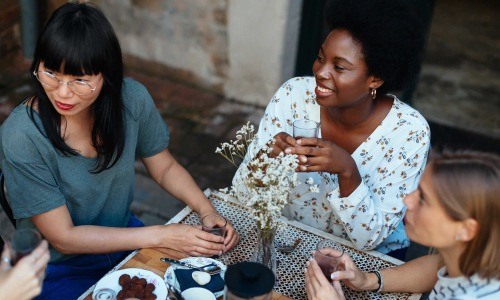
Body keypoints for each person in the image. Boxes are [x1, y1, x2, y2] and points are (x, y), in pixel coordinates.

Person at [0, 1, 239, 299]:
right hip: (58, 267)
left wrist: (206, 209)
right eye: (50, 73)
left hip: (125, 236)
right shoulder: (21, 135)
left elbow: (163, 167)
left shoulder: (132, 100)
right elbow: (64, 239)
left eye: (80, 80)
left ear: (106, 74)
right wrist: (161, 235)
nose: (62, 92)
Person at [233, 0, 429, 259]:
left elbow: (370, 239)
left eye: (339, 67)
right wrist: (266, 158)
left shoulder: (409, 133)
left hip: (364, 260)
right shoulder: (294, 96)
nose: (320, 72)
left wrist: (348, 172)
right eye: (320, 58)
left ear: (376, 78)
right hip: (289, 241)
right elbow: (241, 195)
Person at [305, 150, 500, 300]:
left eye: (423, 199)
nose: (408, 200)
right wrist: (367, 280)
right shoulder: (469, 258)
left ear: (466, 229)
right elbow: (438, 265)